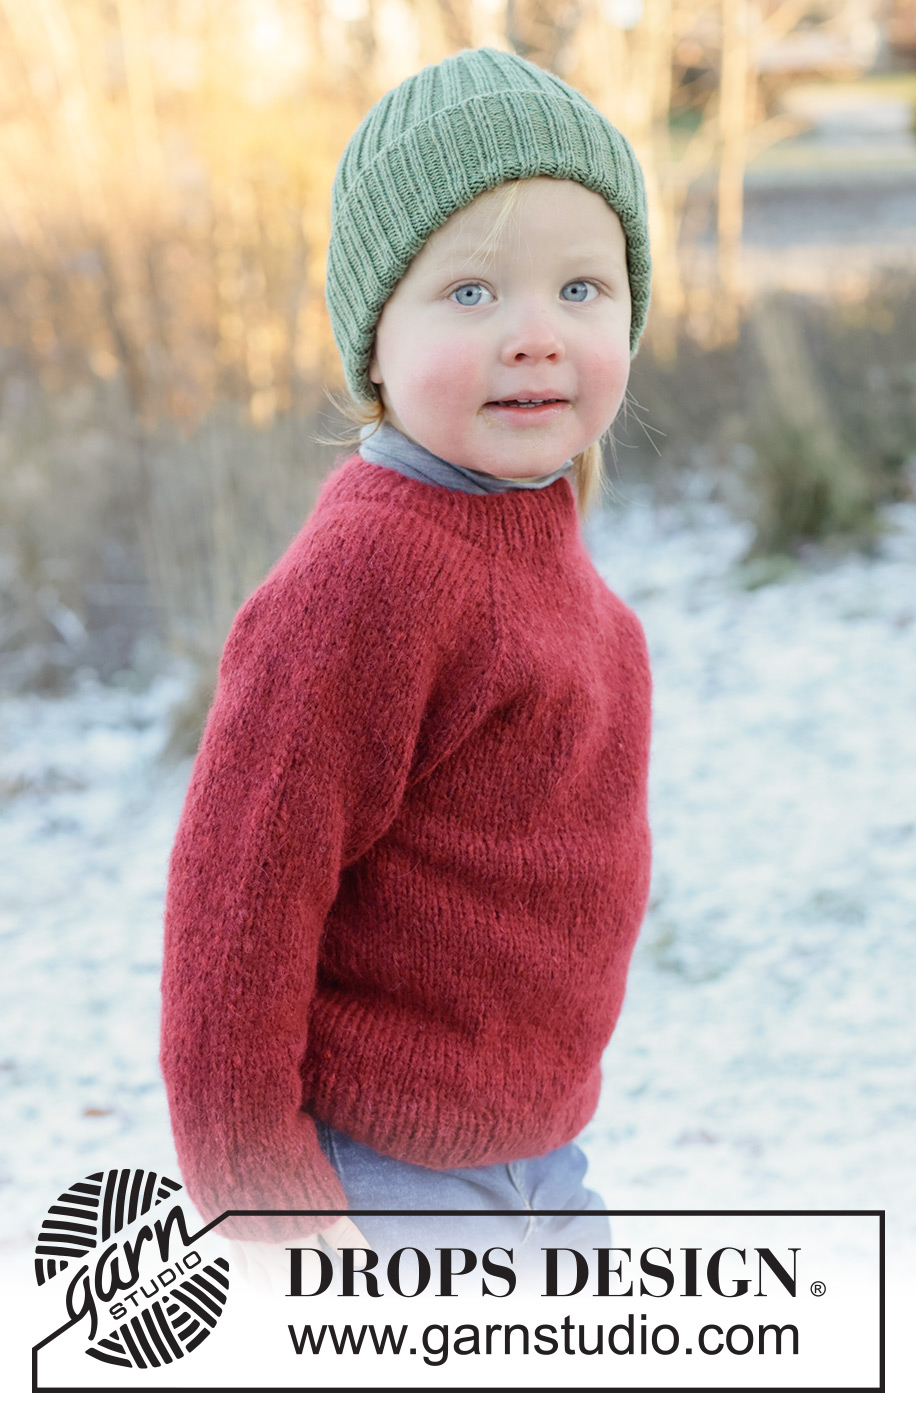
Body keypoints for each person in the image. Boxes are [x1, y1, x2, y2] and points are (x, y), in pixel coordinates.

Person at [160, 45, 653, 1295]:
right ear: (375, 342)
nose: (537, 335)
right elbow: (238, 902)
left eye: (583, 288)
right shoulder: (368, 576)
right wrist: (255, 1184)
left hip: (536, 1161)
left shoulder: (556, 567)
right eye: (473, 293)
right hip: (382, 1177)